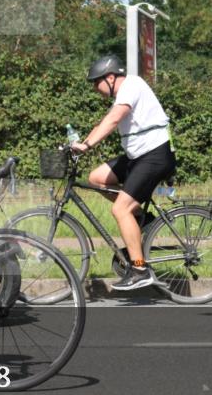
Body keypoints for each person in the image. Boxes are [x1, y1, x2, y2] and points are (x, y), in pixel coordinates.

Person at [69, 54, 176, 291]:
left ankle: (140, 269)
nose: (95, 89)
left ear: (110, 77)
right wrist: (79, 145)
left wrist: (87, 146)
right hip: (137, 158)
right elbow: (105, 121)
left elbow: (114, 119)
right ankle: (140, 218)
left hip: (154, 156)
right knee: (97, 178)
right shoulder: (122, 93)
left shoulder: (132, 84)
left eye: (96, 82)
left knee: (119, 209)